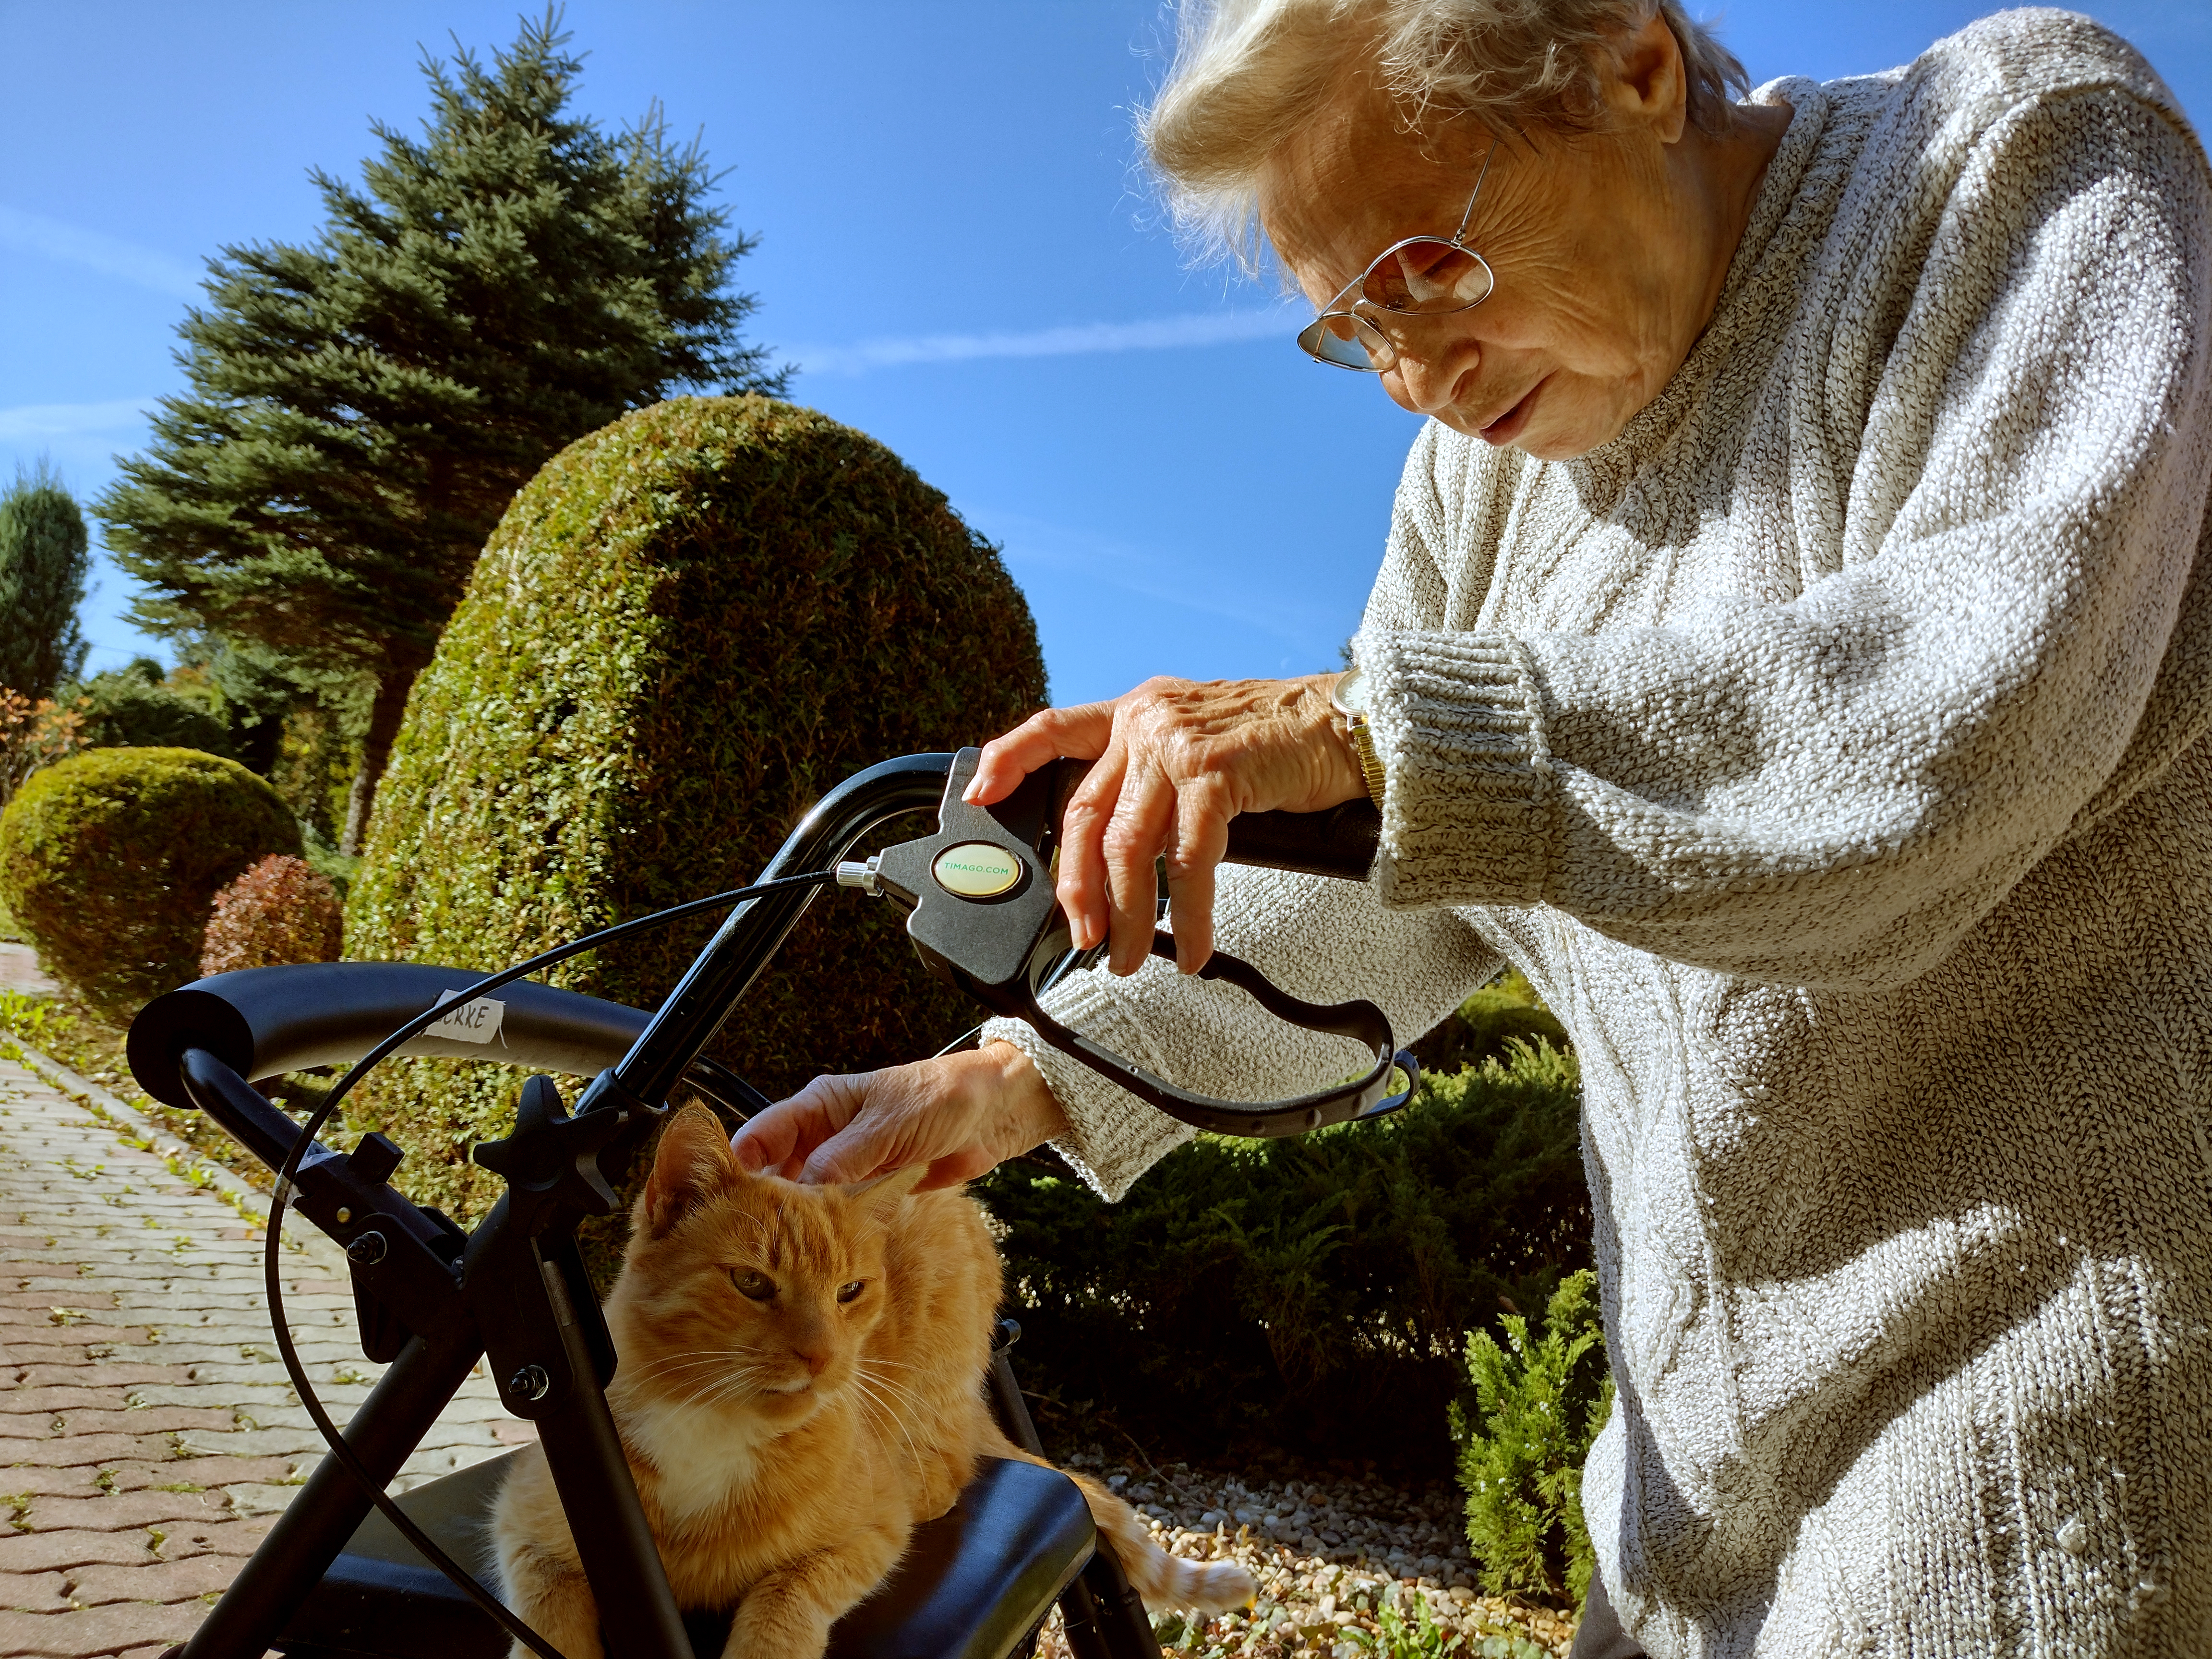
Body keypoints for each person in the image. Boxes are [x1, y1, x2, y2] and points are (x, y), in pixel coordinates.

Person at [734, 1, 2212, 1652]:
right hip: (1679, 1505)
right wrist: (1016, 1080)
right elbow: (1405, 887)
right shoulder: (1477, 480)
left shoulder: (2007, 154)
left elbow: (1960, 722)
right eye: (1350, 327)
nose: (1411, 377)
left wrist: (1365, 726)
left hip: (2037, 1451)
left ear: (1633, 67)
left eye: (1429, 266)